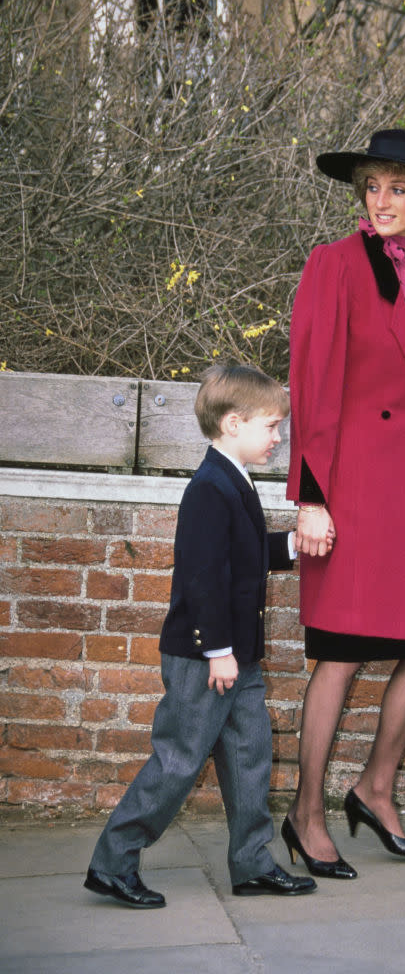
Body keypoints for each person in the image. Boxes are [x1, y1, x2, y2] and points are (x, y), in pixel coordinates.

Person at [283, 128, 405, 879]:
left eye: (398, 188)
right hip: (350, 483)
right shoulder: (333, 265)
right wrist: (312, 498)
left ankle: (374, 786)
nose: (382, 200)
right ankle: (305, 814)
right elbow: (314, 384)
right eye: (373, 186)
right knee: (339, 653)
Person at [85, 364, 318, 907]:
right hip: (206, 657)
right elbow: (202, 576)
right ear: (233, 423)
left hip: (238, 657)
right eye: (272, 426)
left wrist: (293, 549)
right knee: (179, 759)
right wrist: (217, 651)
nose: (279, 437)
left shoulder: (233, 480)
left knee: (250, 754)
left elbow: (241, 556)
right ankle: (113, 863)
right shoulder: (209, 488)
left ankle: (253, 863)